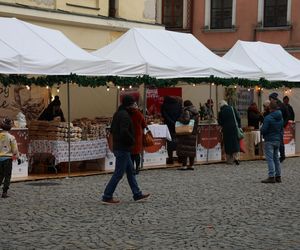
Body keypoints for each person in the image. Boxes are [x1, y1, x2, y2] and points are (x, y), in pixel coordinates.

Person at [101, 95, 150, 204]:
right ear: (129, 105)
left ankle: (137, 194)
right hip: (123, 148)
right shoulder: (124, 116)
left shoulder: (119, 113)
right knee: (118, 173)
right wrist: (131, 140)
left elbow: (113, 129)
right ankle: (107, 196)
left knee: (130, 171)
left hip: (120, 147)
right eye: (133, 104)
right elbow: (124, 131)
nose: (135, 106)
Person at [260, 101, 283, 183]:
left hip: (269, 140)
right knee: (276, 158)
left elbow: (263, 130)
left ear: (270, 109)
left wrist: (261, 130)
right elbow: (281, 129)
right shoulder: (281, 117)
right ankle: (278, 176)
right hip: (277, 140)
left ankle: (271, 176)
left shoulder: (268, 118)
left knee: (270, 159)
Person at [176, 100, 199, 170]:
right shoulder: (196, 112)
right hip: (193, 132)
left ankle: (184, 165)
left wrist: (179, 119)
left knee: (185, 149)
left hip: (186, 133)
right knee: (191, 149)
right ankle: (191, 165)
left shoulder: (187, 111)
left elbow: (186, 120)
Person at [0, 118, 20, 198]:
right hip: (7, 159)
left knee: (0, 175)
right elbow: (15, 150)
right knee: (7, 176)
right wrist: (17, 157)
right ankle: (4, 192)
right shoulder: (11, 137)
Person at [218, 100, 241, 165]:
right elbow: (238, 118)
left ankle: (229, 160)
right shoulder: (232, 108)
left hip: (226, 130)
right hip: (234, 128)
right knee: (235, 143)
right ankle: (236, 158)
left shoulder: (221, 112)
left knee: (228, 144)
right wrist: (239, 126)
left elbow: (220, 122)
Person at [161, 96, 182, 164]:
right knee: (179, 142)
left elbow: (164, 115)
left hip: (168, 126)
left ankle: (170, 158)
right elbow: (180, 114)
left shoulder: (164, 105)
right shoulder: (178, 105)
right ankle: (180, 158)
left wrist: (171, 122)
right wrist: (176, 122)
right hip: (177, 125)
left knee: (169, 142)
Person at [269, 93, 288, 162]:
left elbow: (287, 115)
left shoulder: (279, 105)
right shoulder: (281, 104)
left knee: (279, 141)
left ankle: (282, 156)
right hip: (279, 125)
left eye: (270, 99)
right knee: (279, 141)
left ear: (272, 98)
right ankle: (281, 156)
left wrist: (283, 124)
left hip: (278, 126)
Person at [130, 102, 147, 175]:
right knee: (137, 153)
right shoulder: (139, 114)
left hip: (129, 134)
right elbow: (144, 124)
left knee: (131, 154)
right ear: (136, 106)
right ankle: (137, 168)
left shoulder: (127, 113)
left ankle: (131, 168)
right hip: (137, 135)